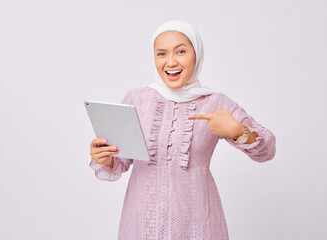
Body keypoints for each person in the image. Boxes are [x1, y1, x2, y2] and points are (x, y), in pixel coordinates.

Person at [89, 20, 276, 240]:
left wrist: (238, 131)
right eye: (161, 54)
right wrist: (104, 156)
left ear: (196, 54)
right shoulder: (137, 99)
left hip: (196, 223)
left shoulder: (216, 103)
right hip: (142, 222)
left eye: (180, 51)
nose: (170, 62)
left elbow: (267, 150)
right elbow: (119, 163)